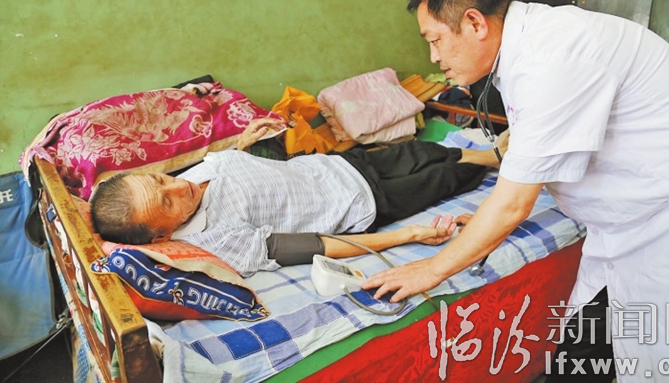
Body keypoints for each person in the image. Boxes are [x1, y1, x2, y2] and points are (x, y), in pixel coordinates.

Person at [361, 0, 669, 382]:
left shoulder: (552, 56)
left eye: (435, 40)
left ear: (475, 23)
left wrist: (431, 269)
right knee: (583, 352)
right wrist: (487, 218)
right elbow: (532, 162)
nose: (434, 57)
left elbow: (513, 204)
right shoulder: (527, 50)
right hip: (629, 225)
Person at [91, 117, 507, 277]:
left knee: (418, 151)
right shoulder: (217, 238)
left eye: (160, 179)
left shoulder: (183, 181)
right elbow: (320, 245)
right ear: (161, 237)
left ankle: (490, 154)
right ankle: (494, 162)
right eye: (166, 202)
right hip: (359, 204)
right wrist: (408, 235)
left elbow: (228, 176)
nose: (177, 187)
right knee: (441, 179)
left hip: (335, 166)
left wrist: (241, 147)